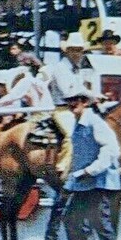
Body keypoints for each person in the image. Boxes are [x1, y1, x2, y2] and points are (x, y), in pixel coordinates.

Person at [59, 88, 121, 240]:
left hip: (97, 183)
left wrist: (91, 170)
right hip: (84, 183)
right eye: (69, 100)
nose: (72, 104)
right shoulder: (79, 125)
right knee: (72, 220)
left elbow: (111, 150)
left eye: (76, 100)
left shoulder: (95, 123)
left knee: (101, 225)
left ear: (85, 102)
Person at [47, 32, 101, 178]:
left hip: (78, 109)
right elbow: (68, 92)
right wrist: (92, 95)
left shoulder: (77, 70)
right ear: (68, 51)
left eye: (80, 50)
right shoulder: (60, 68)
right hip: (63, 109)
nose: (78, 53)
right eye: (74, 50)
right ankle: (63, 170)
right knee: (72, 135)